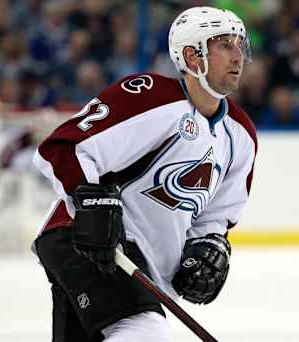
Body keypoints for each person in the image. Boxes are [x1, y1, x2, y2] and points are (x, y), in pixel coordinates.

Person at [32, 6, 257, 342]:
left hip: (139, 265)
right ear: (193, 57)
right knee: (143, 333)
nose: (238, 56)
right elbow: (61, 148)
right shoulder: (150, 97)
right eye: (225, 45)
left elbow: (217, 216)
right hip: (83, 239)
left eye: (240, 45)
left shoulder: (241, 135)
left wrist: (209, 246)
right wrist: (92, 205)